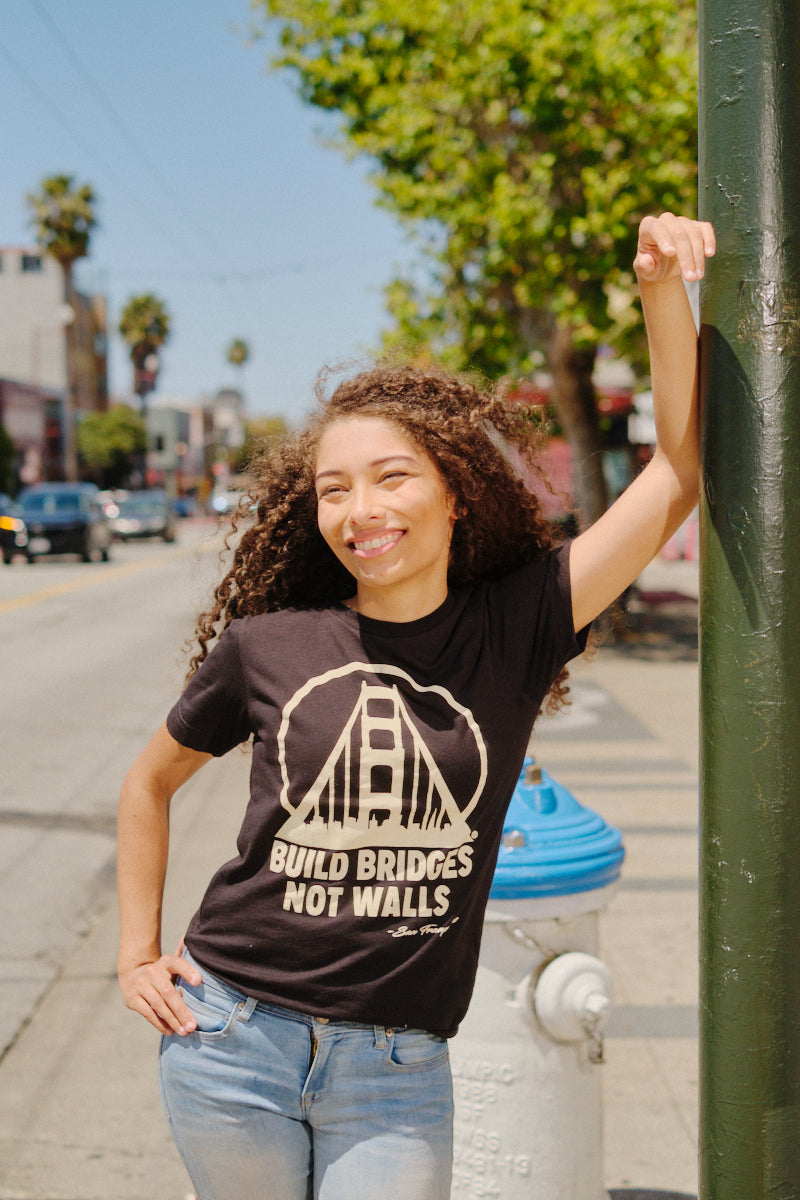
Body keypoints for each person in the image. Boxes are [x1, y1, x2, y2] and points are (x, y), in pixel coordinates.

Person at [117, 212, 715, 1200]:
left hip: (391, 1074)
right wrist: (136, 954)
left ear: (455, 495)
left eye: (391, 477)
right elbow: (148, 786)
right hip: (229, 1040)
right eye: (332, 490)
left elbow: (676, 475)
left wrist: (658, 288)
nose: (360, 509)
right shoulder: (267, 646)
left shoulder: (517, 626)